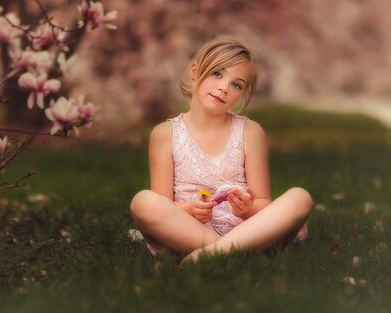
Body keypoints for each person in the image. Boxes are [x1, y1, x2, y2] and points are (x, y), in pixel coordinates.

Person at [129, 38, 313, 263]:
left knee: (300, 198)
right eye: (217, 74)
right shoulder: (164, 134)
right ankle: (233, 253)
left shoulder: (250, 132)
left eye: (236, 85)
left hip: (248, 232)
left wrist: (246, 209)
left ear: (242, 93)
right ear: (195, 71)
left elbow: (263, 203)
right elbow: (164, 205)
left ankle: (211, 256)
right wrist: (189, 209)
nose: (224, 87)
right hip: (188, 234)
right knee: (143, 202)